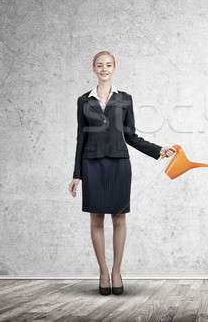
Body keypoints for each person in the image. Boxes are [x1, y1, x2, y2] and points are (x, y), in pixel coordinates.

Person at [68, 51, 176, 296]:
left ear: (114, 68)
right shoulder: (83, 101)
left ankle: (117, 272)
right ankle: (103, 272)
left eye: (108, 65)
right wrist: (77, 174)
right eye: (99, 65)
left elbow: (130, 136)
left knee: (119, 219)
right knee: (96, 219)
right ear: (94, 69)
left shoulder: (125, 99)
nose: (104, 69)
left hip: (119, 164)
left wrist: (158, 149)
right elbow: (80, 138)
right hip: (92, 164)